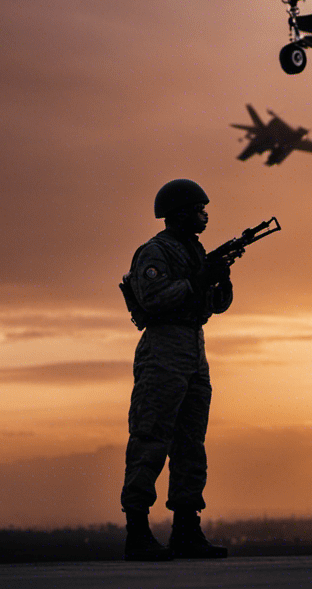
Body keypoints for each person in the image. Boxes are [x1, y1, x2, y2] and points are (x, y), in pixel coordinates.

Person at [120, 179, 232, 561]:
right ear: (181, 212)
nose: (205, 215)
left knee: (190, 443)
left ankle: (186, 528)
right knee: (151, 437)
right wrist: (199, 279)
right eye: (199, 208)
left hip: (193, 347)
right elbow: (152, 299)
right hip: (165, 346)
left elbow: (215, 306)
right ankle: (137, 530)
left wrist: (219, 277)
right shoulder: (155, 252)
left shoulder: (194, 251)